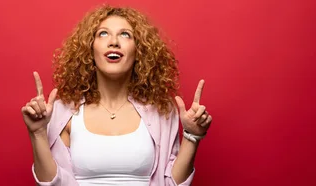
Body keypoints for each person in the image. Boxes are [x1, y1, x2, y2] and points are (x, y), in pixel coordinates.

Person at [21, 5, 212, 186]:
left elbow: (171, 183)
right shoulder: (63, 111)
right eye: (103, 33)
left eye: (125, 34)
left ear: (139, 51)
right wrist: (37, 133)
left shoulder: (161, 110)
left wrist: (192, 136)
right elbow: (52, 183)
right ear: (90, 49)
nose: (114, 41)